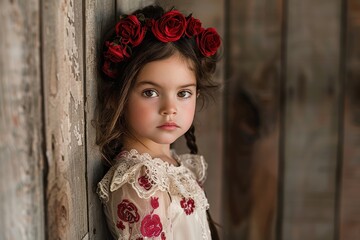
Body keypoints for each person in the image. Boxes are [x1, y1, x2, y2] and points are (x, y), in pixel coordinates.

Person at [96, 4, 221, 240]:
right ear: (115, 98)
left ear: (197, 95)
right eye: (150, 93)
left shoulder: (168, 164)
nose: (169, 109)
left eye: (183, 93)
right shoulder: (139, 181)